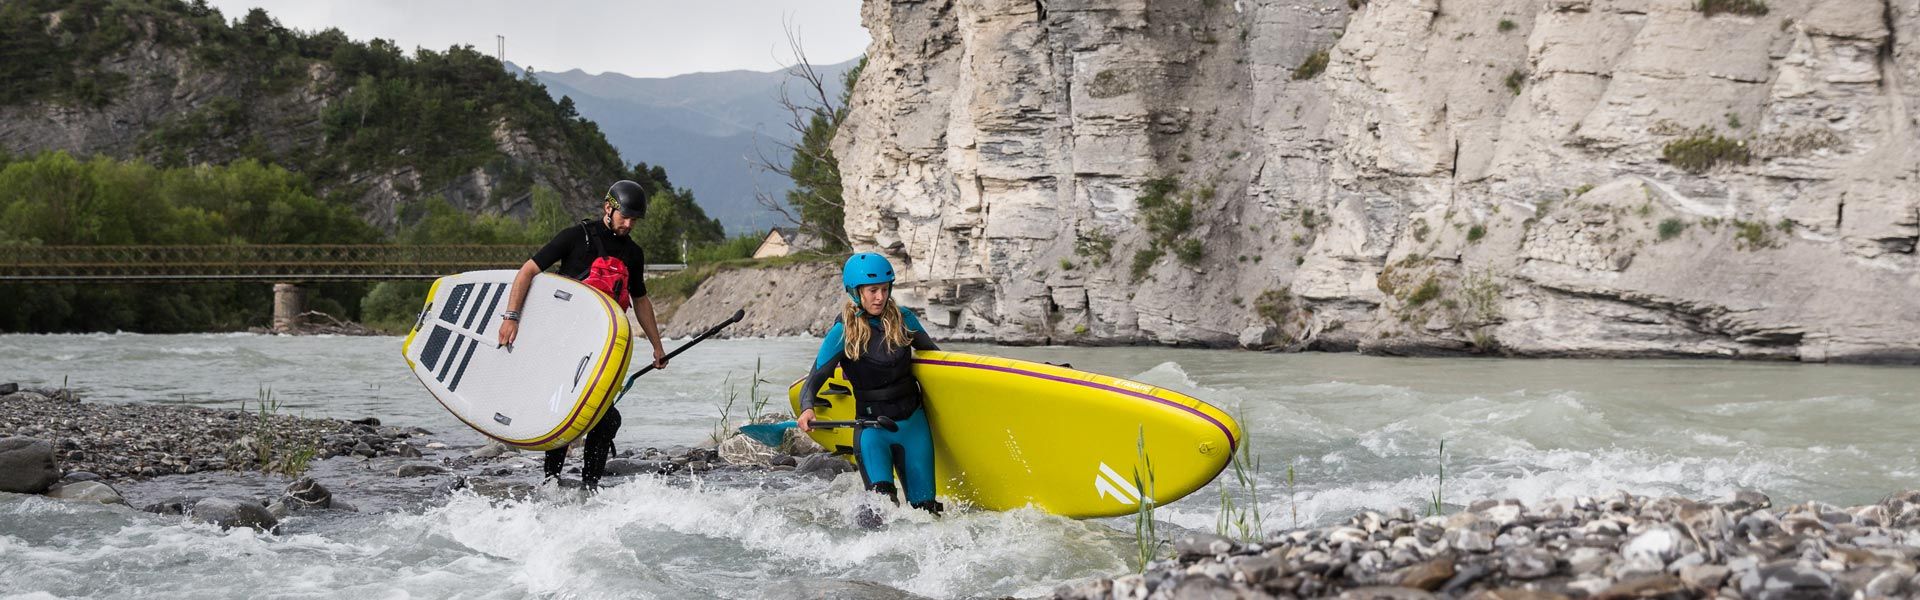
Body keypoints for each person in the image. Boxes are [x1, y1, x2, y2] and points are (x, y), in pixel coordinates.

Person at [496, 180, 669, 490]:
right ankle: (551, 481)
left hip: (600, 351)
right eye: (623, 217)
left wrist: (657, 347)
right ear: (608, 208)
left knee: (606, 419)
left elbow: (640, 300)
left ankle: (589, 488)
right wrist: (511, 317)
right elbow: (528, 271)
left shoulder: (633, 253)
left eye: (634, 219)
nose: (628, 224)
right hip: (560, 344)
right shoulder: (575, 237)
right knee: (562, 408)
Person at [797, 252, 944, 514]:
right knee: (881, 512)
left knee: (926, 512)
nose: (880, 297)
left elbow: (937, 362)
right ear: (856, 292)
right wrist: (807, 408)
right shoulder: (842, 332)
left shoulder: (904, 319)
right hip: (872, 430)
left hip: (914, 426)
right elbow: (814, 380)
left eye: (885, 289)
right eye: (873, 290)